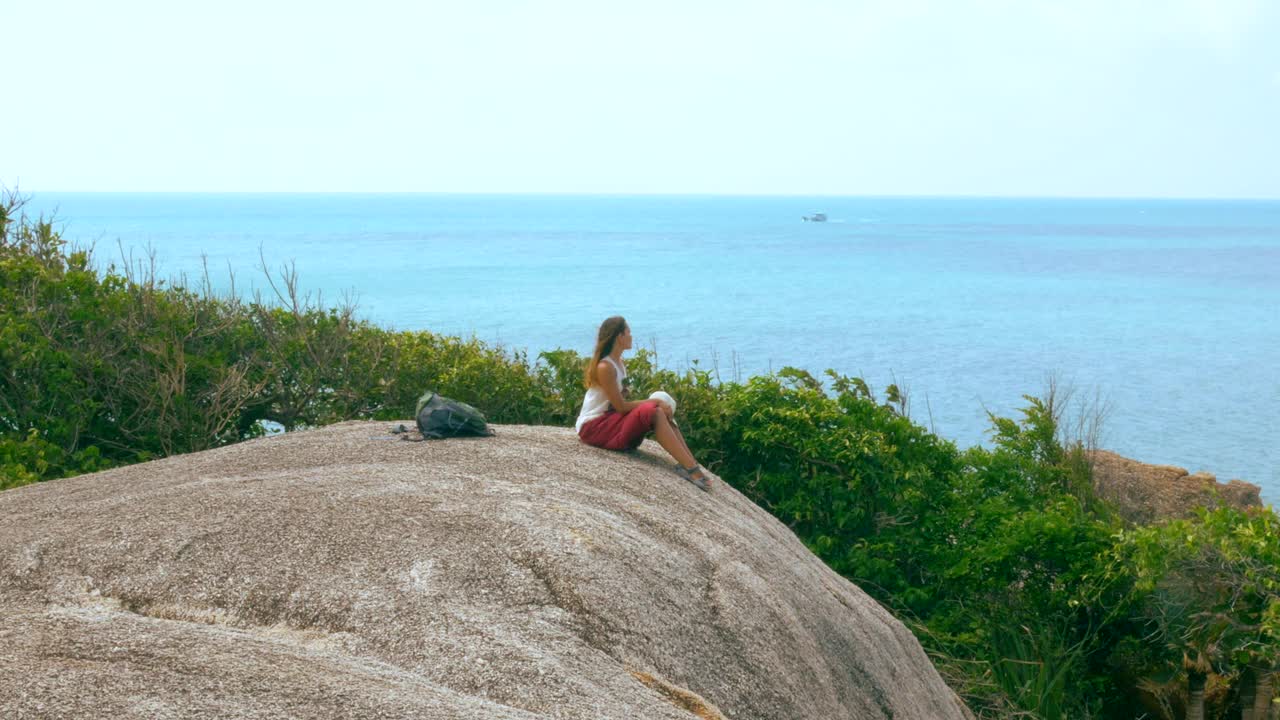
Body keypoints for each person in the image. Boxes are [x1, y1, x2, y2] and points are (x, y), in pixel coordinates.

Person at [575, 316, 712, 491]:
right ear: (619, 337)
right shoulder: (605, 367)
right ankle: (691, 468)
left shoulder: (619, 364)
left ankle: (689, 462)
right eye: (628, 332)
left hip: (610, 421)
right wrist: (654, 402)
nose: (631, 336)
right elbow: (621, 407)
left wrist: (658, 402)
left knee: (661, 403)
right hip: (594, 426)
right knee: (653, 409)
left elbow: (622, 403)